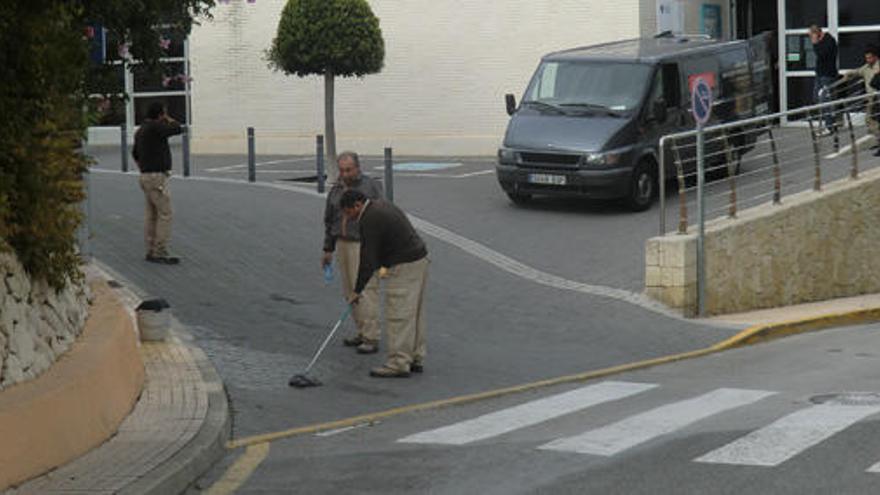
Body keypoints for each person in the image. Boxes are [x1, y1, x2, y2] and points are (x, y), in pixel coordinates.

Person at [341, 189, 429, 378]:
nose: (349, 219)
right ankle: (415, 357)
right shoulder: (380, 206)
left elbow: (368, 257)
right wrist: (381, 269)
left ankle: (398, 362)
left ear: (357, 205)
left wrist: (357, 290)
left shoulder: (369, 218)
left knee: (399, 313)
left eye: (348, 213)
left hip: (404, 265)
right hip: (418, 260)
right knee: (414, 312)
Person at [321, 151, 384, 354]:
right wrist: (327, 248)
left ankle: (371, 336)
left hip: (362, 244)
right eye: (341, 170)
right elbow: (329, 220)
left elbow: (382, 214)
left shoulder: (370, 186)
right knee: (350, 291)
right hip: (342, 243)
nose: (345, 174)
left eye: (349, 170)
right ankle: (361, 330)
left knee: (366, 290)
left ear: (358, 168)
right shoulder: (336, 190)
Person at [132, 102, 183, 264]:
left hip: (145, 176)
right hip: (156, 177)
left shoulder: (141, 130)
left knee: (151, 215)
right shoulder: (156, 127)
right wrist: (169, 118)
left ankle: (151, 249)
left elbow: (135, 154)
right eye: (164, 114)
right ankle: (160, 250)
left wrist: (144, 167)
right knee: (165, 213)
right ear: (160, 114)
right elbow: (177, 128)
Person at [840, 45, 880, 156]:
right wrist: (849, 74)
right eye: (866, 58)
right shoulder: (866, 67)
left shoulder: (878, 66)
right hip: (871, 98)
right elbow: (858, 72)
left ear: (876, 57)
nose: (868, 60)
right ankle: (876, 141)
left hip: (877, 97)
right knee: (870, 120)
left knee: (874, 121)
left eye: (870, 58)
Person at [808, 25, 839, 133]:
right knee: (816, 97)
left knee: (825, 100)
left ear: (818, 33)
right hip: (820, 74)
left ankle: (830, 126)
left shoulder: (829, 41)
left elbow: (821, 55)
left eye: (812, 36)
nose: (811, 39)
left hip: (827, 75)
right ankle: (830, 121)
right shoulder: (821, 42)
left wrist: (816, 43)